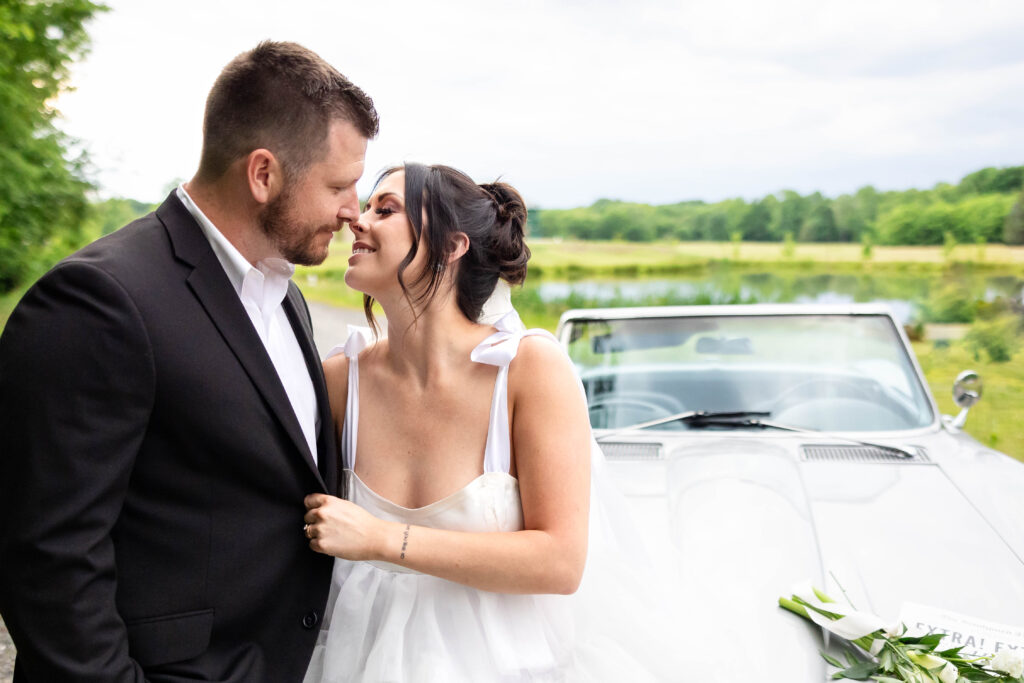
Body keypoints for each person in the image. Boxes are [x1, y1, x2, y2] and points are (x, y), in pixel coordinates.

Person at [0, 41, 378, 682]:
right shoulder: (100, 300)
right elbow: (48, 555)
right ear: (263, 173)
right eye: (339, 186)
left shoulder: (287, 298)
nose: (353, 210)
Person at [301, 164, 677, 682]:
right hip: (356, 660)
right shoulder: (341, 380)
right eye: (365, 208)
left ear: (452, 246)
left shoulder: (528, 371)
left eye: (384, 210)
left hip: (508, 665)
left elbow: (561, 562)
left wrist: (381, 540)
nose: (356, 222)